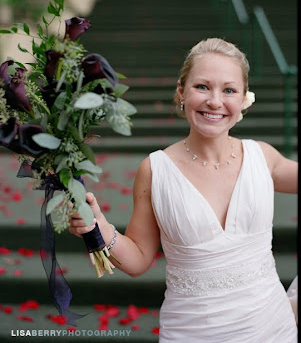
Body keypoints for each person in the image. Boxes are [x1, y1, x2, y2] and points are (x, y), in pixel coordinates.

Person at [69, 38, 298, 342]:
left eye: (229, 90)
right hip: (191, 332)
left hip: (272, 328)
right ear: (181, 91)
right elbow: (137, 260)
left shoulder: (263, 157)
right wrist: (99, 228)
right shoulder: (155, 170)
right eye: (202, 86)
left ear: (243, 98)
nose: (215, 101)